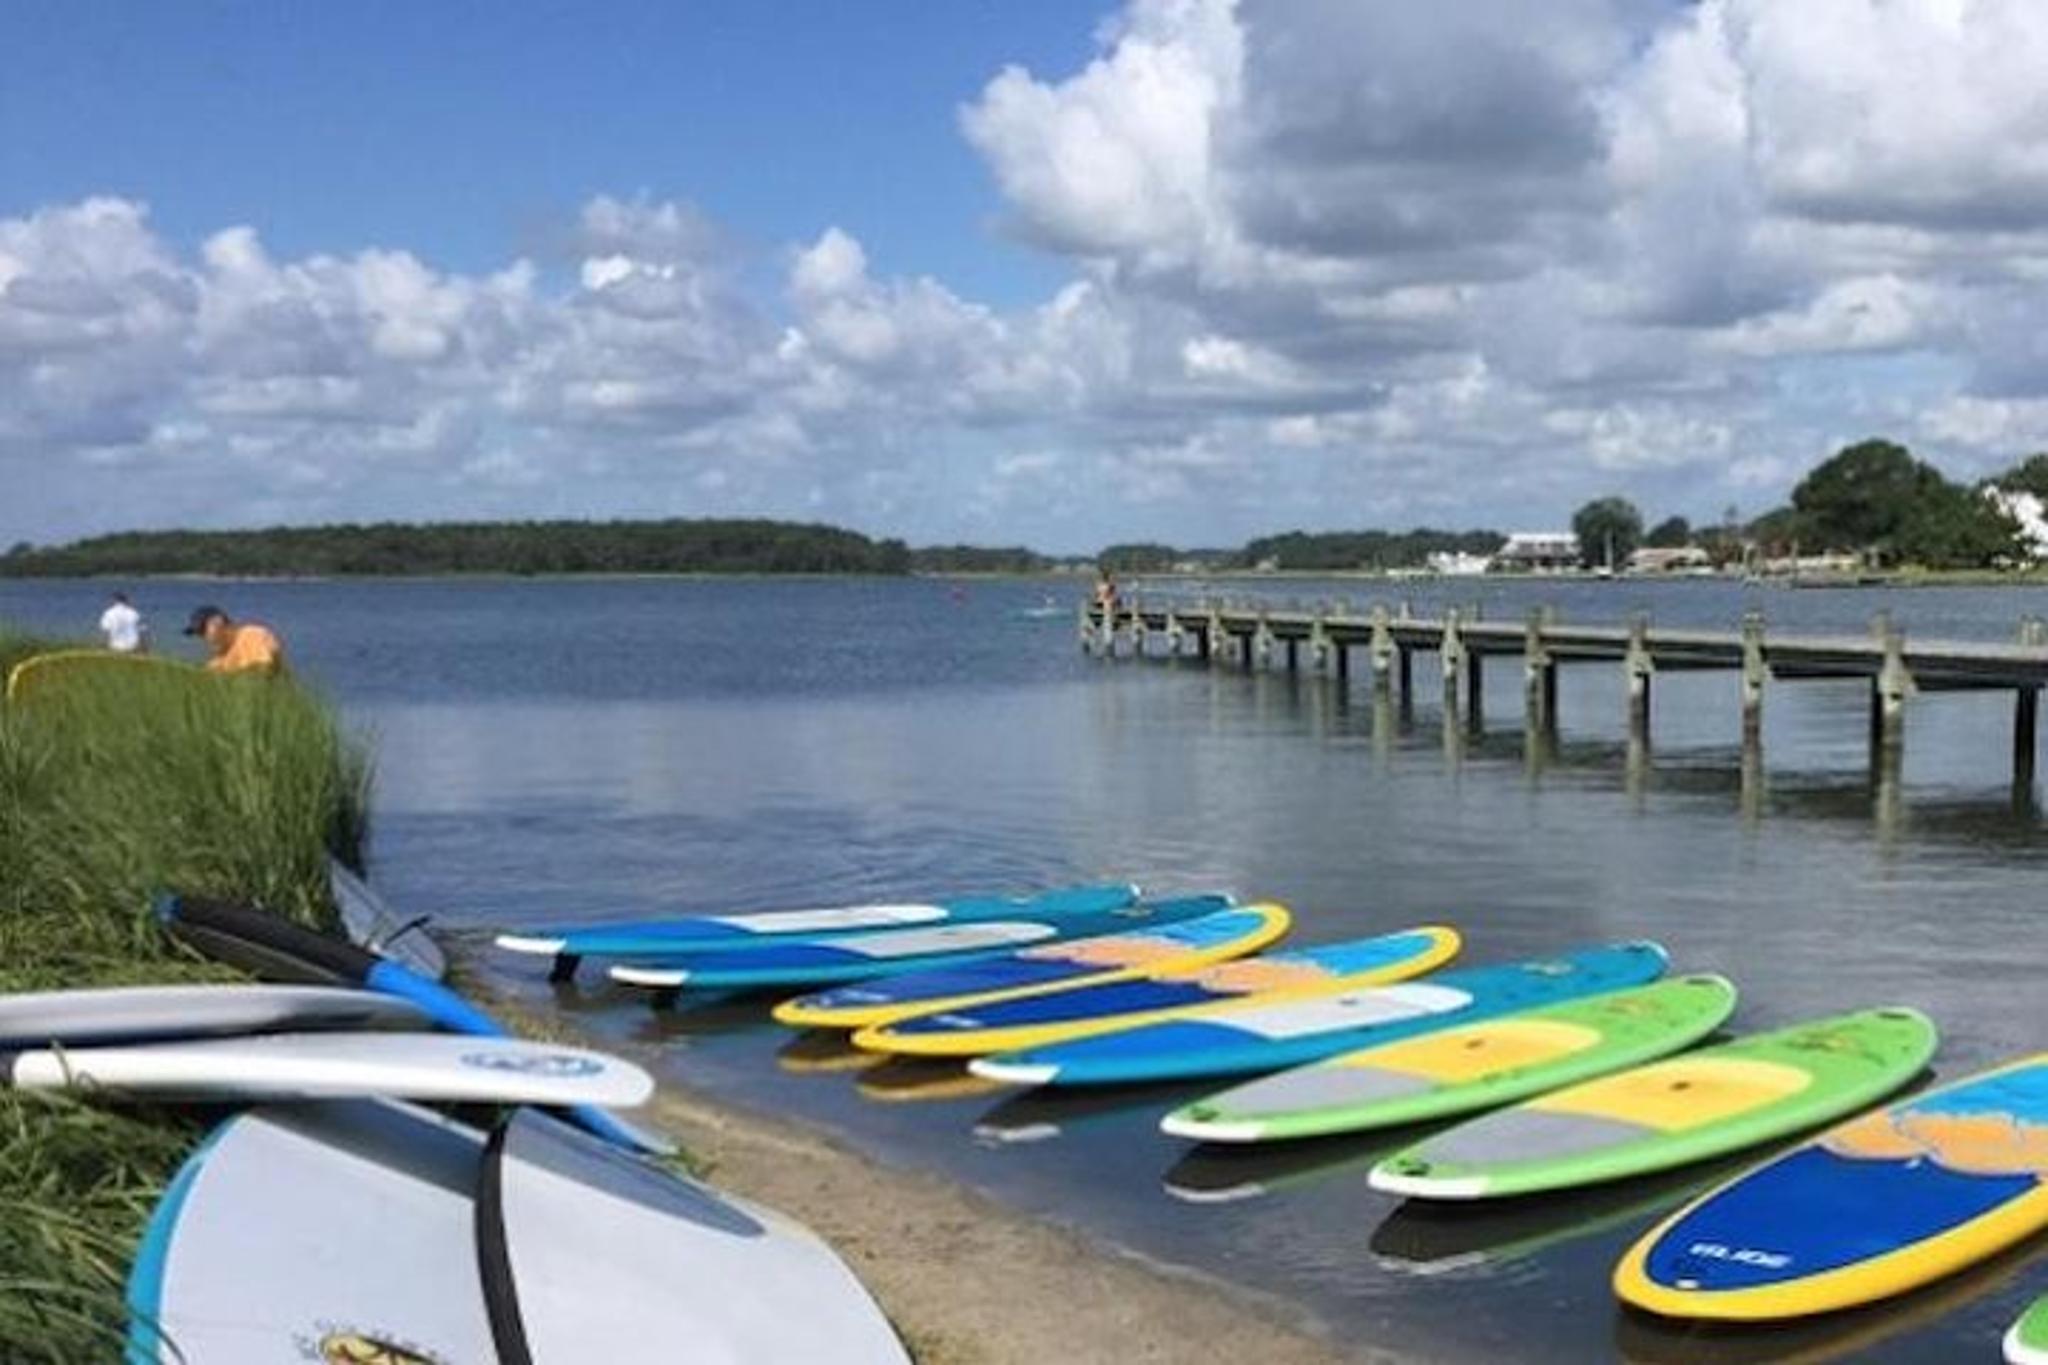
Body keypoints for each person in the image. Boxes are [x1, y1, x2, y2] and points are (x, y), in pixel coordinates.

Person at [183, 604, 286, 676]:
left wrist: (228, 677)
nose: (203, 638)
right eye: (199, 634)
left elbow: (265, 669)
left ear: (218, 622)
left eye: (202, 630)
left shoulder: (252, 635)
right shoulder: (219, 661)